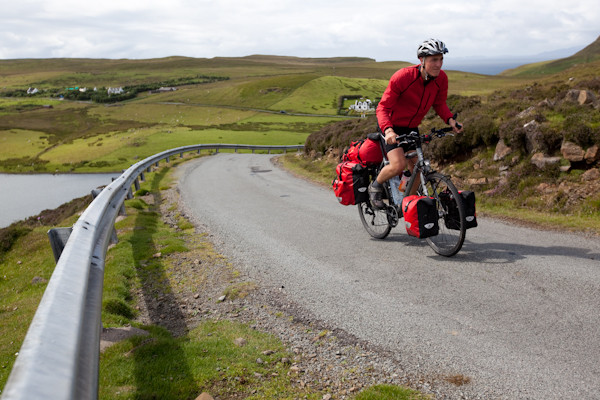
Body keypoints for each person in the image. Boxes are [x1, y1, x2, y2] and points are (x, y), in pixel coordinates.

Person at [368, 38, 464, 209]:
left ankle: (406, 204)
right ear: (422, 60)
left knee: (418, 170)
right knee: (398, 165)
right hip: (391, 126)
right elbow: (382, 107)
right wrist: (389, 131)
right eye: (434, 59)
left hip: (411, 128)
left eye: (441, 59)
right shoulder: (403, 77)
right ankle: (375, 186)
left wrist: (450, 120)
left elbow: (439, 103)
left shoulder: (441, 79)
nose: (438, 64)